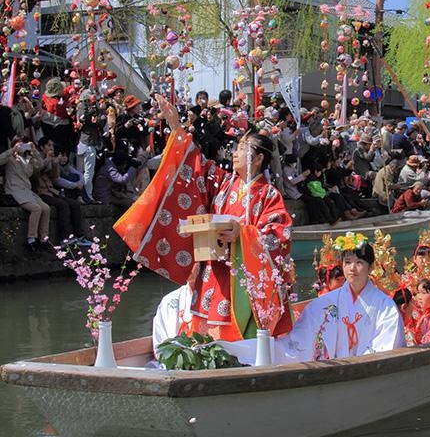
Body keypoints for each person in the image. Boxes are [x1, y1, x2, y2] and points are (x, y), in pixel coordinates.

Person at [115, 94, 295, 342]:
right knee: (206, 332)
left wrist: (242, 234)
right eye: (236, 147)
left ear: (259, 158)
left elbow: (279, 234)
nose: (234, 152)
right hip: (213, 268)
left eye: (242, 149)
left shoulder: (269, 195)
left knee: (240, 331)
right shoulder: (223, 182)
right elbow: (196, 162)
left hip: (243, 275)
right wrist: (176, 127)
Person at [273, 235, 405, 362]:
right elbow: (301, 341)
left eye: (359, 262)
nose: (352, 268)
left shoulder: (385, 306)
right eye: (347, 262)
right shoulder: (324, 303)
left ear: (371, 267)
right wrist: (265, 348)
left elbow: (387, 345)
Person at [0, 139, 51, 252]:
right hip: (14, 189)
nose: (22, 148)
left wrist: (34, 151)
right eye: (20, 145)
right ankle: (31, 238)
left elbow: (40, 165)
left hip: (27, 190)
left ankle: (44, 238)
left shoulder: (28, 159)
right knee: (36, 209)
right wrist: (12, 150)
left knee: (46, 209)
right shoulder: (10, 158)